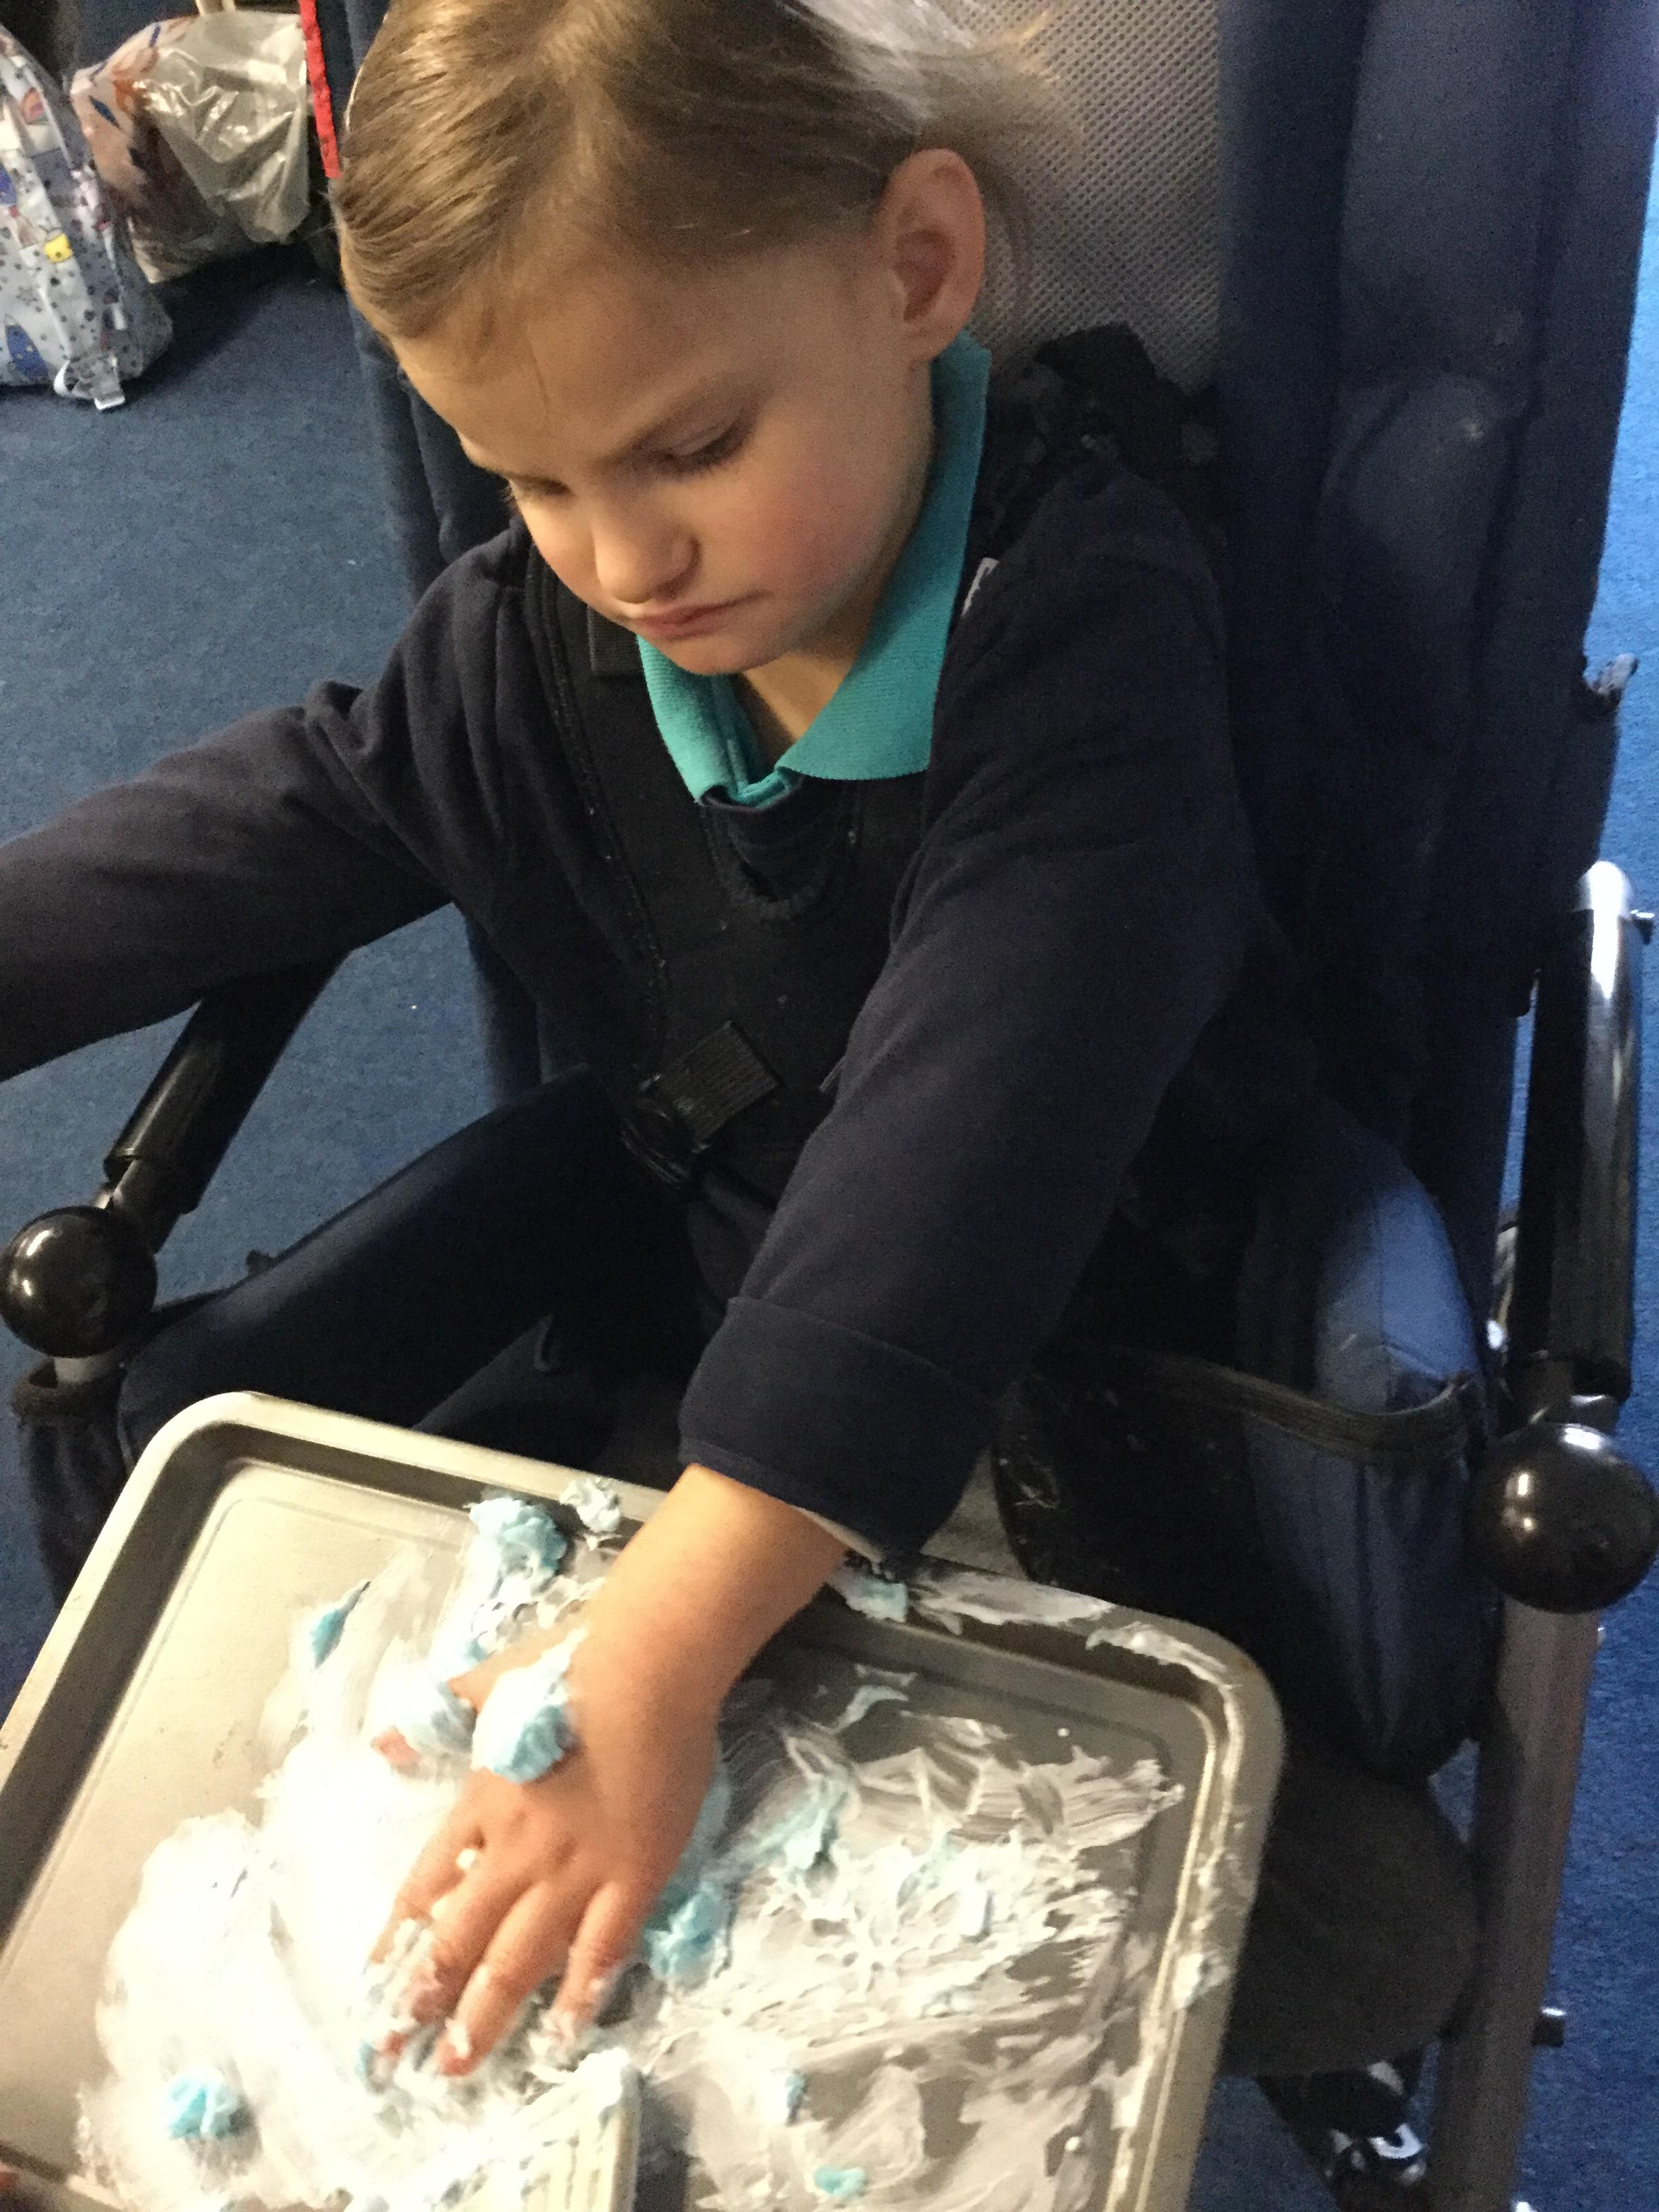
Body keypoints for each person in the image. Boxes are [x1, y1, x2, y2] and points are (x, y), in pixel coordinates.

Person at [0, 0, 1475, 2192]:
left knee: (1247, 1962)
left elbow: (973, 1129)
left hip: (1113, 1398)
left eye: (687, 447)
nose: (622, 559)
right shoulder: (550, 639)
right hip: (721, 1375)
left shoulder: (1090, 635)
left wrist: (666, 1642)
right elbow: (306, 802)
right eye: (531, 479)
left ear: (916, 269)